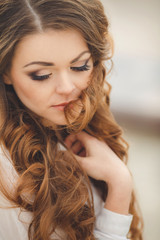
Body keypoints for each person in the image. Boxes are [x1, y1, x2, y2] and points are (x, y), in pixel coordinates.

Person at [0, 0, 143, 239]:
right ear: (6, 72)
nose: (67, 88)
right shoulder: (6, 177)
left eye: (79, 66)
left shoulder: (78, 126)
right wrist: (119, 187)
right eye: (41, 75)